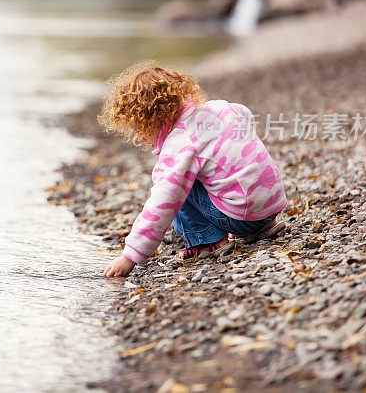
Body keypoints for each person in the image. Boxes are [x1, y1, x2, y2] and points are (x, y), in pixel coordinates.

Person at [99, 63, 287, 278]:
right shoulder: (221, 108)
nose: (140, 137)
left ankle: (206, 241)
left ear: (153, 119)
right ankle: (264, 225)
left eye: (139, 128)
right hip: (272, 207)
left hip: (242, 219)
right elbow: (245, 115)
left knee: (175, 182)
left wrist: (130, 257)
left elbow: (163, 202)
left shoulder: (181, 141)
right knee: (208, 168)